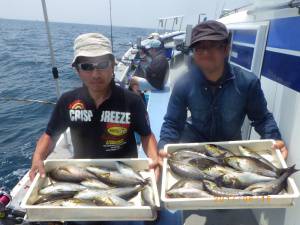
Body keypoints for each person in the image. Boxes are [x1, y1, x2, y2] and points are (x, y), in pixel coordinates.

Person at [29, 33, 160, 181]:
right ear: (77, 70)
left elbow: (146, 135)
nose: (95, 74)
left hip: (125, 175)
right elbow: (50, 135)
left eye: (103, 65)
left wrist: (154, 158)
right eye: (87, 66)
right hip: (84, 176)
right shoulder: (67, 101)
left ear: (113, 66)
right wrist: (38, 157)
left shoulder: (132, 101)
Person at [158, 20, 288, 159]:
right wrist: (163, 146)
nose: (205, 52)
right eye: (199, 48)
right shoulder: (183, 84)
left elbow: (262, 119)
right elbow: (172, 123)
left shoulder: (248, 82)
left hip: (230, 151)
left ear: (226, 49)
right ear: (194, 53)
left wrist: (274, 139)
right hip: (193, 148)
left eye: (213, 46)